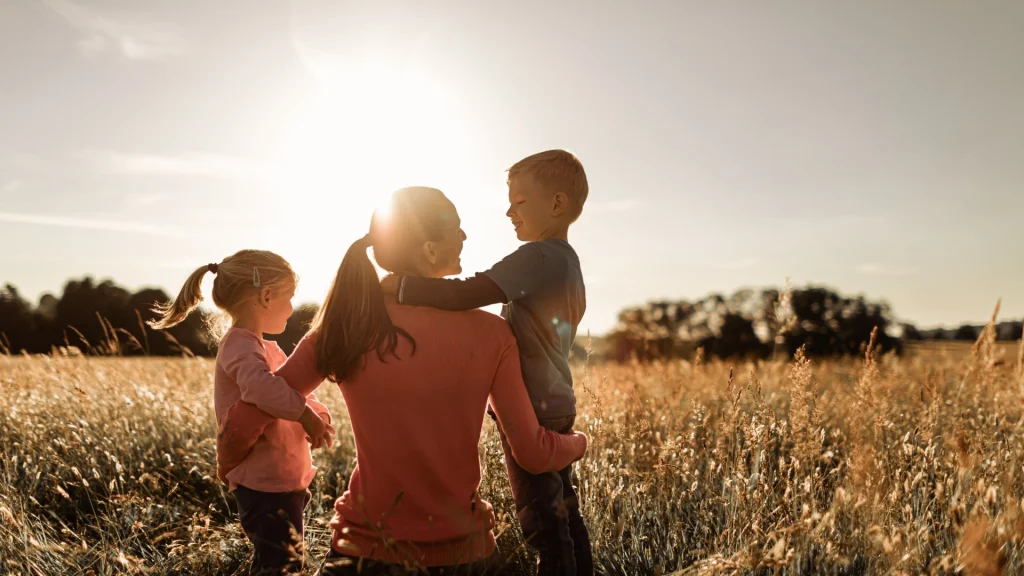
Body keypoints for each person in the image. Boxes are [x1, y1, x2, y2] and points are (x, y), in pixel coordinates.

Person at [218, 187, 588, 575]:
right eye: (457, 229)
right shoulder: (493, 332)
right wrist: (578, 443)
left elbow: (248, 416)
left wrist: (229, 464)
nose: (464, 237)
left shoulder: (345, 326)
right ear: (429, 249)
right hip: (465, 557)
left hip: (361, 554)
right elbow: (532, 451)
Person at [382, 151, 592, 576]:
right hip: (555, 400)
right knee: (564, 512)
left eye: (520, 202)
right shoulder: (567, 261)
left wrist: (403, 287)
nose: (509, 211)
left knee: (543, 523)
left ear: (557, 204)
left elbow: (471, 292)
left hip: (533, 408)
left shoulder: (540, 257)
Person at [150, 250, 334, 576]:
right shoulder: (239, 345)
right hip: (262, 482)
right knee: (281, 565)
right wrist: (305, 415)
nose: (293, 309)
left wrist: (316, 412)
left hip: (282, 477)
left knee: (277, 562)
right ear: (266, 297)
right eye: (289, 298)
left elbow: (289, 392)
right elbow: (261, 390)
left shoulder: (267, 348)